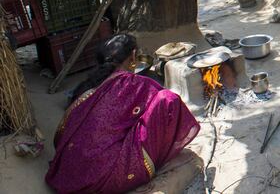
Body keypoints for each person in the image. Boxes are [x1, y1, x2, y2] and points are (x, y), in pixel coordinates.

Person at [46, 34, 199, 193]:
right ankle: (157, 160)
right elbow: (168, 101)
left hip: (66, 172)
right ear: (133, 56)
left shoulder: (89, 87)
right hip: (101, 178)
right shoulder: (134, 83)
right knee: (167, 99)